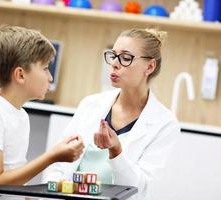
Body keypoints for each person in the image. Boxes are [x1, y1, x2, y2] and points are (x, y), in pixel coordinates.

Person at [45, 28, 180, 199]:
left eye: (125, 58)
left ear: (150, 66)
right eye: (113, 56)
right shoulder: (90, 104)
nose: (114, 63)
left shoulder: (165, 124)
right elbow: (59, 164)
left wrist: (116, 152)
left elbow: (140, 190)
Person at [0, 25, 84, 200]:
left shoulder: (21, 116)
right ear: (20, 75)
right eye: (45, 68)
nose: (50, 77)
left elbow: (14, 180)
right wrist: (51, 157)